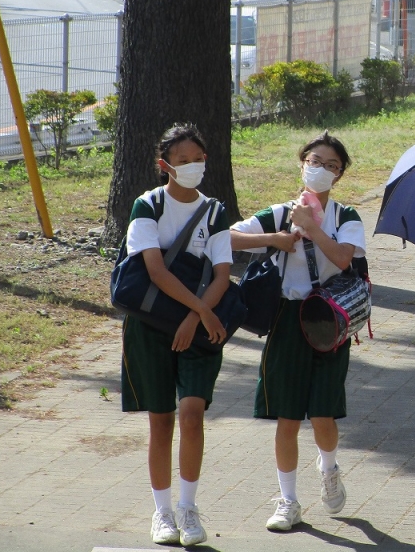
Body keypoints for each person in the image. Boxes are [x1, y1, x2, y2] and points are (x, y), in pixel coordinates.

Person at [229, 132, 366, 532]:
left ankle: (328, 468)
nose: (321, 169)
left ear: (339, 176)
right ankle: (288, 500)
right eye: (314, 160)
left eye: (331, 165)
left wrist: (312, 227)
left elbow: (343, 259)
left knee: (323, 413)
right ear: (301, 162)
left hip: (329, 319)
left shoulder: (346, 217)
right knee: (287, 417)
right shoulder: (278, 212)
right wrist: (274, 238)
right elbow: (228, 238)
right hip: (287, 320)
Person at [119, 123, 231, 547]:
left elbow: (223, 273)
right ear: (164, 165)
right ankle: (162, 513)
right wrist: (198, 309)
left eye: (198, 159)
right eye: (183, 161)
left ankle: (189, 508)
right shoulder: (147, 205)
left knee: (193, 414)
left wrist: (196, 319)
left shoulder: (216, 211)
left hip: (201, 332)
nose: (193, 166)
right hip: (151, 326)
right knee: (161, 420)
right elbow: (154, 269)